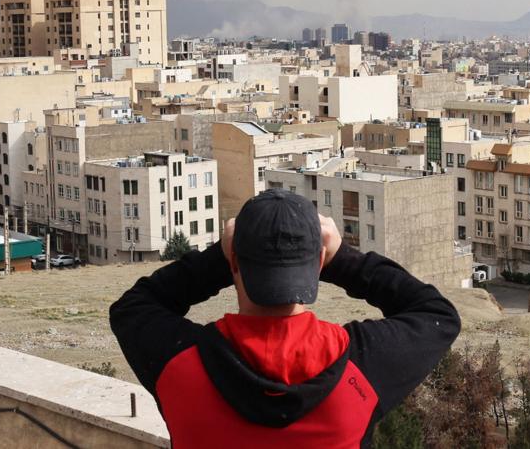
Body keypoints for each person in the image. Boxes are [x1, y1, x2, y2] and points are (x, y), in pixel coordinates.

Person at [110, 188, 460, 448]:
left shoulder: (180, 365)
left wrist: (219, 257)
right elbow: (436, 314)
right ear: (319, 262)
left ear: (234, 262)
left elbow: (133, 307)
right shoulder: (361, 367)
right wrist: (344, 260)